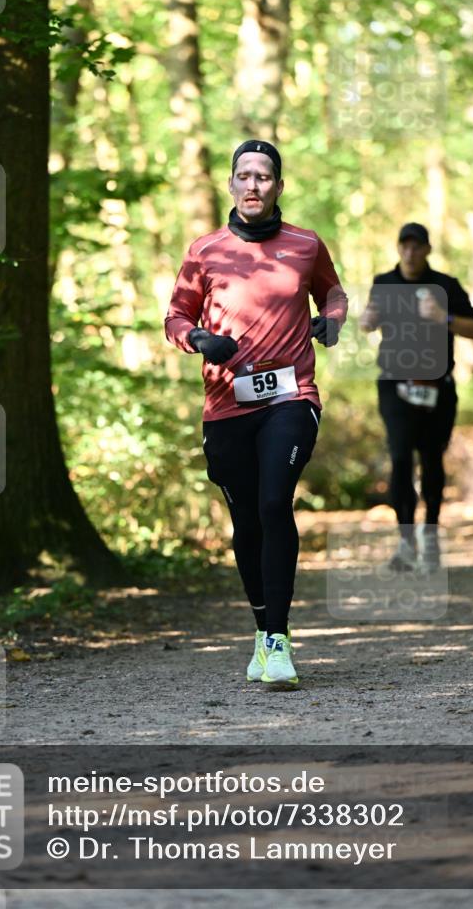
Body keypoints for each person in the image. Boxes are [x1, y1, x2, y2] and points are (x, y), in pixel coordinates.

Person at [164, 140, 347, 689]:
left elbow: (332, 293)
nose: (253, 185)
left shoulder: (306, 245)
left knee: (274, 501)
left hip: (292, 396)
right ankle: (261, 626)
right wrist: (198, 338)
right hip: (226, 405)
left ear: (278, 187)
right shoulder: (205, 251)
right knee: (245, 516)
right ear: (230, 185)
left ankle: (278, 640)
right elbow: (175, 315)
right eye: (243, 175)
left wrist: (330, 322)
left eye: (263, 177)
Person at [360, 222, 473, 570]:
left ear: (427, 249)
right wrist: (367, 320)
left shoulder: (446, 285)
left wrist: (443, 317)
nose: (410, 253)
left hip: (437, 387)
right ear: (398, 248)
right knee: (400, 458)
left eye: (417, 247)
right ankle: (405, 541)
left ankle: (429, 533)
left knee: (431, 460)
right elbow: (368, 322)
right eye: (405, 246)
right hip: (395, 385)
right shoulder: (383, 284)